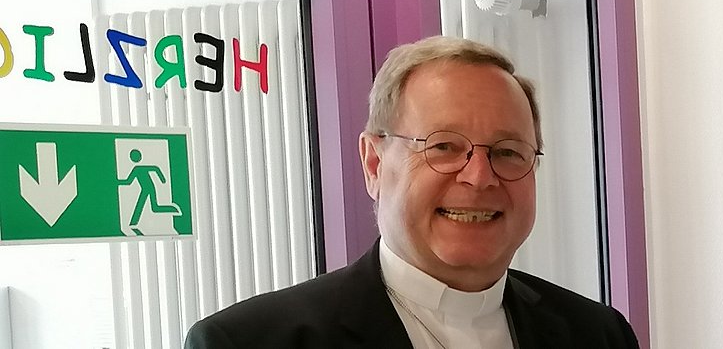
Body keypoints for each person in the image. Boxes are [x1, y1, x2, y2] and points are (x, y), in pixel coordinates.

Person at [184, 36, 640, 348]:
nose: (479, 177)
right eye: (444, 146)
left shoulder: (598, 334)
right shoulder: (248, 342)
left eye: (508, 152)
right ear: (374, 163)